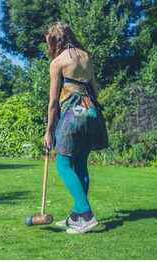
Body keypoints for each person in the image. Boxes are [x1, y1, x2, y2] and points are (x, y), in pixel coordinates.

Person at [44, 22, 108, 234]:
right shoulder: (87, 57)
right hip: (92, 113)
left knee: (62, 164)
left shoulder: (58, 62)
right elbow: (95, 91)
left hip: (73, 115)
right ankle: (76, 216)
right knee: (80, 164)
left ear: (54, 40)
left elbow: (53, 102)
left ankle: (87, 215)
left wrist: (49, 130)